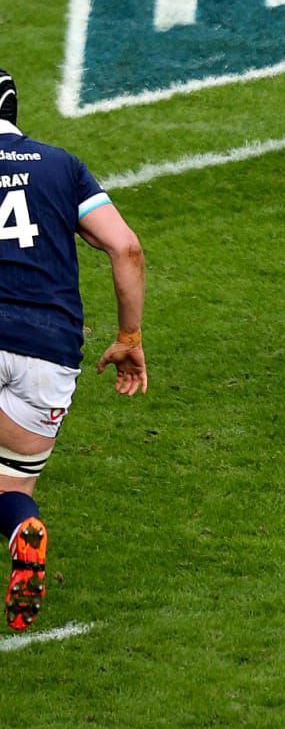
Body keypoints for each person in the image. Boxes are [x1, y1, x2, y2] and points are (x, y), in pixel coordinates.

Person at [0, 69, 147, 632]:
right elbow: (126, 247)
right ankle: (21, 531)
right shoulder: (61, 165)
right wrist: (129, 337)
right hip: (51, 349)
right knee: (12, 482)